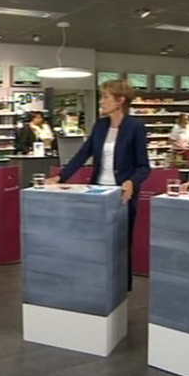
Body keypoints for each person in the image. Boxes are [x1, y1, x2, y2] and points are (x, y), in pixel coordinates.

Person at [46, 79, 150, 290]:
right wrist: (61, 176)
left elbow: (143, 167)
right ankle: (98, 284)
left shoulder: (135, 127)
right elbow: (83, 154)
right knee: (97, 241)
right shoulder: (100, 125)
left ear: (120, 100)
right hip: (98, 192)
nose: (101, 101)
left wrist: (131, 182)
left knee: (121, 243)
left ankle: (122, 287)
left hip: (122, 196)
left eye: (105, 97)